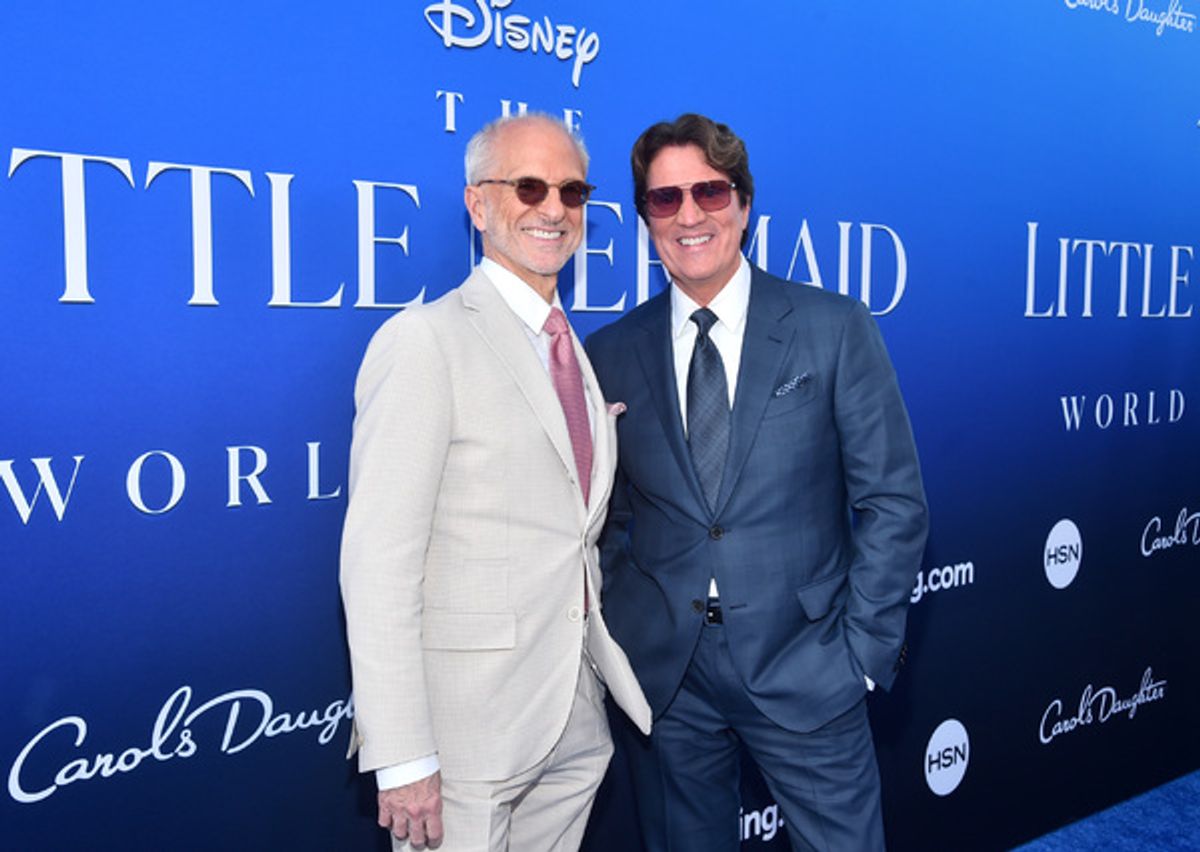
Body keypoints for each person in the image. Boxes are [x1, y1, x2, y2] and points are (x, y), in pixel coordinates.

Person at [585, 113, 928, 851]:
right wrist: (627, 631)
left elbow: (893, 502)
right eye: (665, 199)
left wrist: (861, 654)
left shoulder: (832, 326)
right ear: (645, 216)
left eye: (709, 192)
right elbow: (603, 519)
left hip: (808, 664)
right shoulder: (609, 353)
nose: (690, 216)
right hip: (669, 682)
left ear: (743, 202)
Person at [340, 113, 651, 852]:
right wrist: (405, 754)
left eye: (572, 191)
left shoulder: (573, 345)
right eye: (530, 186)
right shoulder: (425, 342)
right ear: (478, 205)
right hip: (464, 739)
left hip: (572, 714)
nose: (553, 208)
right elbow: (377, 564)